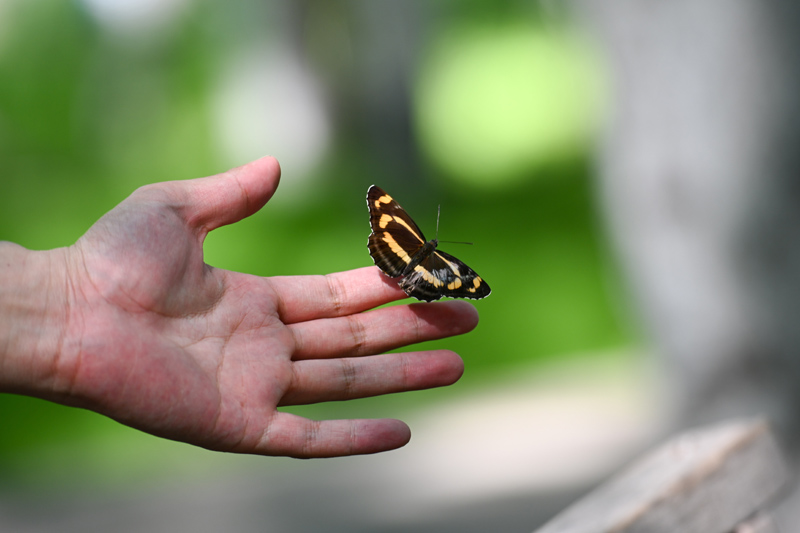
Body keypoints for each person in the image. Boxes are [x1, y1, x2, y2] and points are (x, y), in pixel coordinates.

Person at [0, 157, 478, 458]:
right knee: (423, 275)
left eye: (463, 282)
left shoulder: (419, 243)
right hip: (412, 267)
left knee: (421, 275)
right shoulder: (417, 238)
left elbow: (451, 273)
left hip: (402, 262)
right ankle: (419, 279)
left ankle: (416, 278)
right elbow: (399, 222)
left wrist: (67, 297)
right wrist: (70, 292)